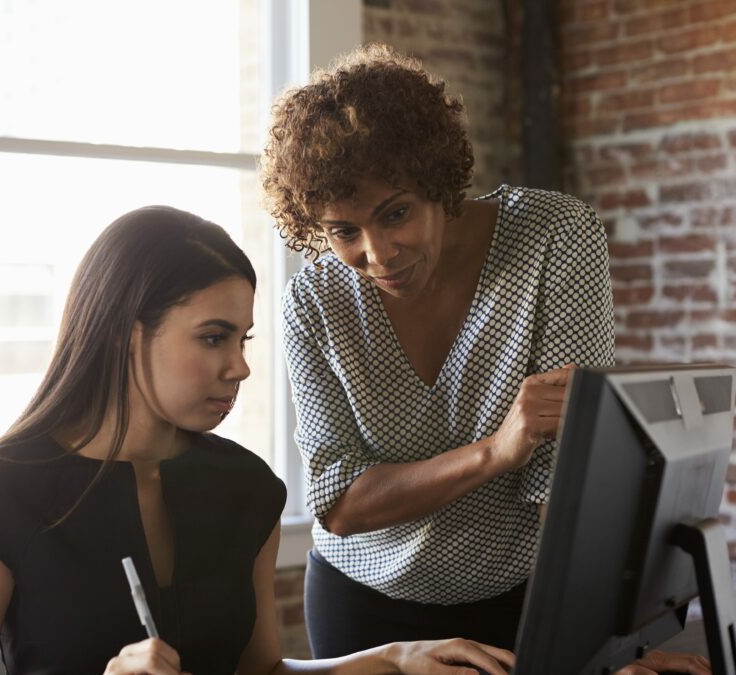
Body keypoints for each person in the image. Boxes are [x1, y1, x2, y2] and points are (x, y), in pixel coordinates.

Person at [259, 43, 709, 675]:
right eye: (343, 231)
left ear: (438, 182)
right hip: (363, 608)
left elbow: (565, 481)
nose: (378, 254)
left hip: (522, 600)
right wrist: (496, 451)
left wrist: (604, 648)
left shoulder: (554, 236)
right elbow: (339, 501)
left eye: (396, 214)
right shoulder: (314, 300)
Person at [0, 205, 516, 674]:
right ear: (126, 337)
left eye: (244, 340)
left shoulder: (247, 488)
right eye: (213, 338)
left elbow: (261, 672)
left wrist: (393, 658)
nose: (240, 367)